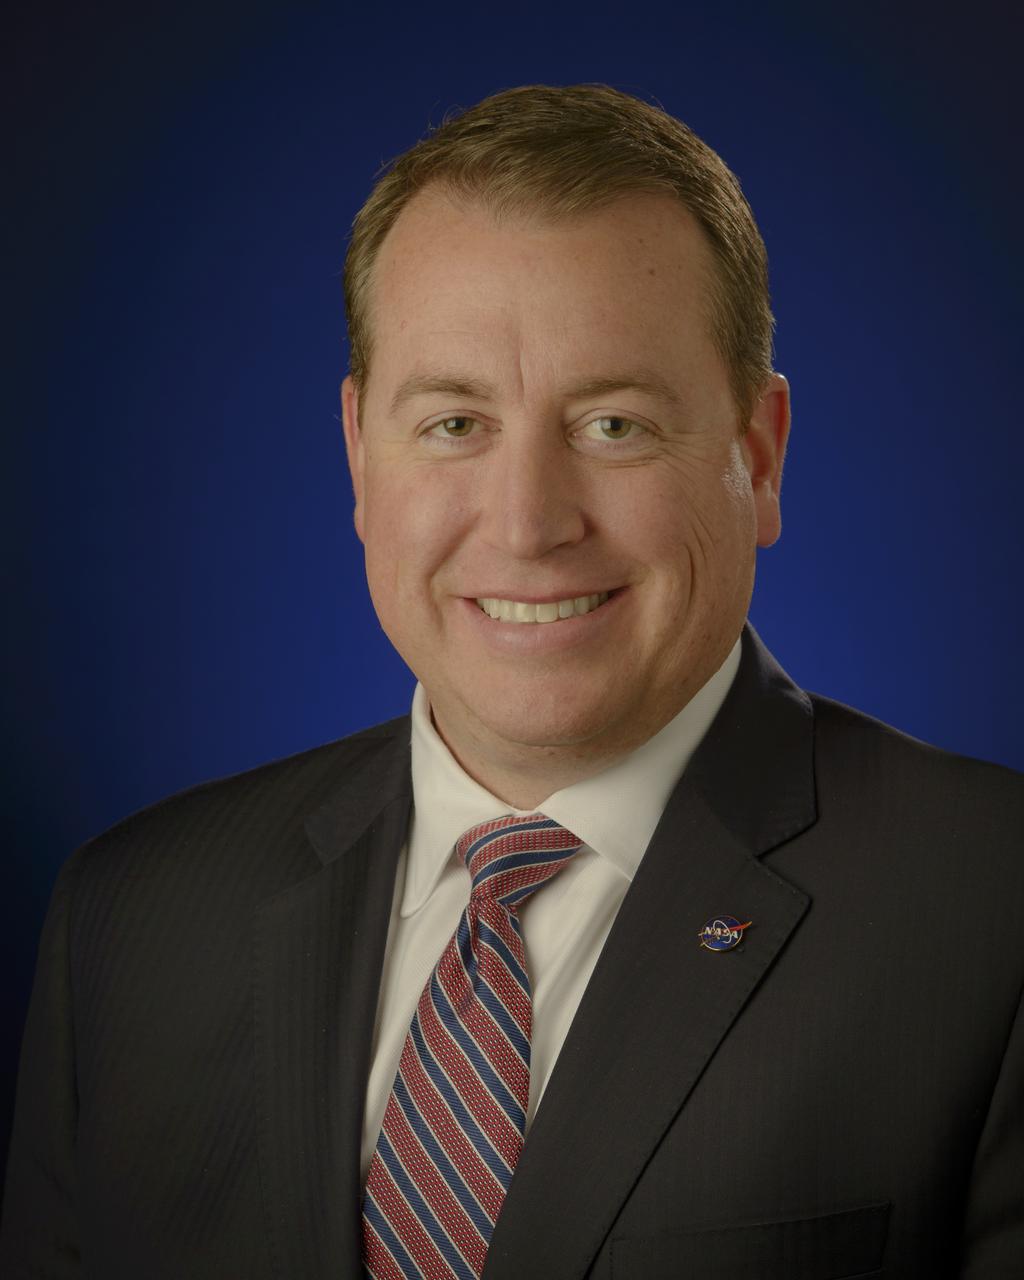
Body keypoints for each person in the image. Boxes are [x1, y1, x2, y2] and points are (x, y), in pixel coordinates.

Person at [1, 83, 1021, 1280]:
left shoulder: (989, 915)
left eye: (613, 424)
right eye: (452, 424)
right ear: (357, 455)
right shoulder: (132, 921)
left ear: (757, 452)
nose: (529, 523)